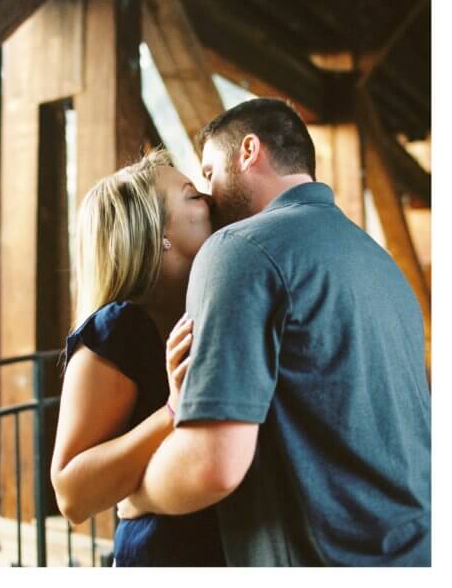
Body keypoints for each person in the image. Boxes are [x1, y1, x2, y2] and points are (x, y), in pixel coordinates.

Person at [124, 98, 431, 566]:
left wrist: (136, 497)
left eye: (208, 172)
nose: (206, 195)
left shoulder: (239, 248)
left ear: (248, 150)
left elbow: (214, 465)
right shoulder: (381, 264)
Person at [50, 148, 225, 566]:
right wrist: (172, 409)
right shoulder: (119, 329)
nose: (209, 198)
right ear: (158, 234)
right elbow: (70, 494)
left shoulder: (203, 309)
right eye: (190, 194)